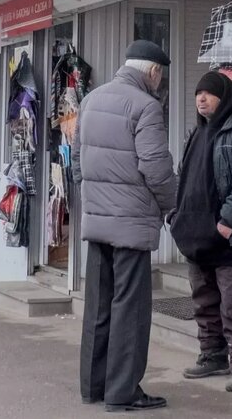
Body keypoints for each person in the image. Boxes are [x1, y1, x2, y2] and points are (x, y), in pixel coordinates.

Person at [72, 40, 177, 412]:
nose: (160, 82)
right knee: (130, 310)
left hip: (97, 221)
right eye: (160, 75)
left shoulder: (91, 100)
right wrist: (172, 204)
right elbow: (156, 167)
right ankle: (122, 393)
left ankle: (93, 387)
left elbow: (77, 163)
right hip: (131, 226)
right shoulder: (145, 106)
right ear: (152, 71)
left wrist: (93, 201)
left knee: (98, 307)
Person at [169, 71, 232, 393]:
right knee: (204, 300)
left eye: (208, 93)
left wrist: (226, 224)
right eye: (198, 93)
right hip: (196, 234)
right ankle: (212, 355)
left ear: (223, 97)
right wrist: (177, 216)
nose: (201, 99)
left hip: (231, 236)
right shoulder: (194, 135)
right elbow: (184, 181)